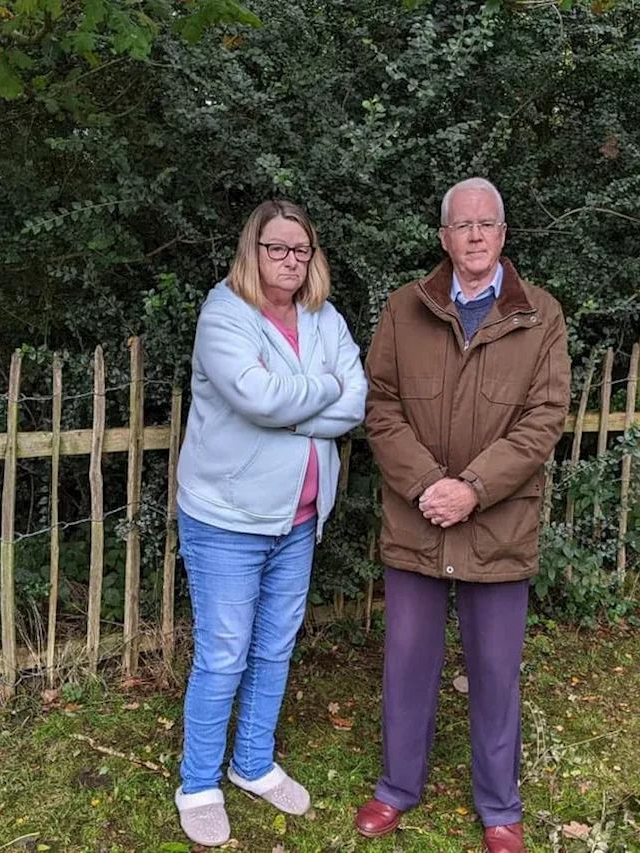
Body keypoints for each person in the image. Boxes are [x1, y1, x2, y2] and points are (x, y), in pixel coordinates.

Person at [355, 178, 571, 853]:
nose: (475, 236)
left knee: (497, 670)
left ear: (503, 236)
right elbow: (381, 405)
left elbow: (543, 421)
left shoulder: (542, 316)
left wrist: (473, 488)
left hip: (498, 524)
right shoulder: (402, 309)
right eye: (461, 225)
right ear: (443, 238)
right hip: (417, 517)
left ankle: (500, 807)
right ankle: (396, 788)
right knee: (408, 660)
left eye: (487, 224)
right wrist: (428, 483)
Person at [173, 200, 368, 847]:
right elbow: (255, 398)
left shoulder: (324, 317)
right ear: (251, 250)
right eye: (277, 247)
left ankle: (251, 762)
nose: (290, 259)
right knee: (224, 652)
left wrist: (292, 402)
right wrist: (320, 391)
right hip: (227, 517)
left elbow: (357, 399)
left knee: (275, 647)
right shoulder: (224, 313)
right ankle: (198, 782)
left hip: (300, 518)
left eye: (301, 249)